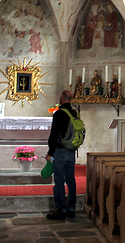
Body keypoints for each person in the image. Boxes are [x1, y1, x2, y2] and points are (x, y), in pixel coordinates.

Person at [46, 90, 78, 220]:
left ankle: (61, 209)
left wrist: (50, 152)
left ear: (62, 98)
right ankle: (71, 208)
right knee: (70, 179)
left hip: (60, 150)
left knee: (59, 179)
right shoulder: (75, 112)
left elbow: (54, 134)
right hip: (71, 150)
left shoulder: (59, 113)